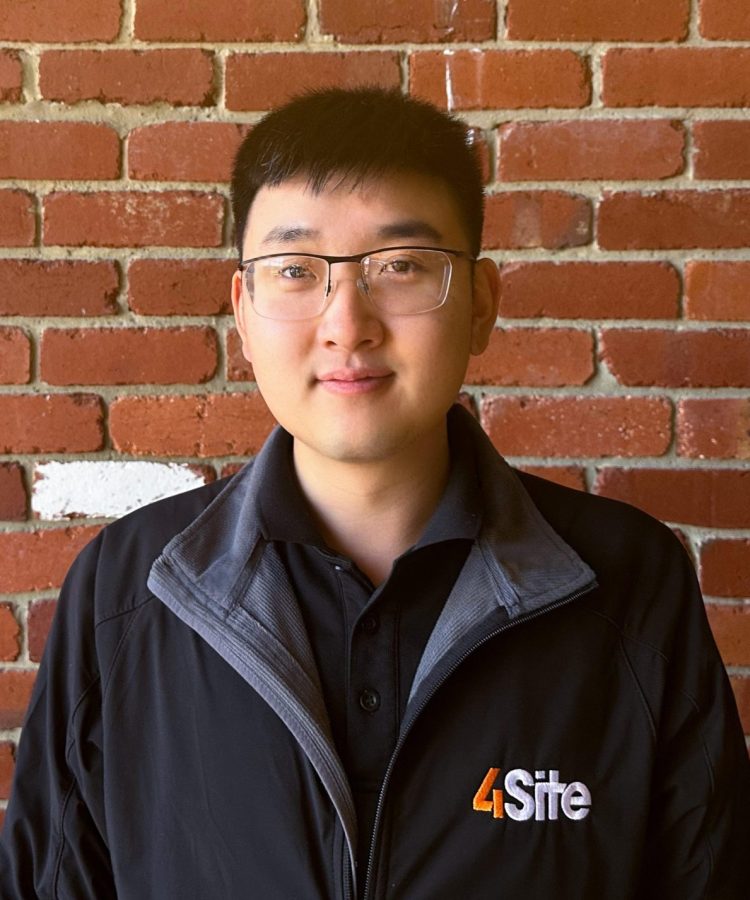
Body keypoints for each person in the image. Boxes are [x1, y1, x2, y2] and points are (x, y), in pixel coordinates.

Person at [1, 87, 747, 900]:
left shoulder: (627, 584)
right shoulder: (128, 590)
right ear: (243, 312)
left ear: (481, 304)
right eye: (296, 271)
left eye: (400, 266)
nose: (347, 323)